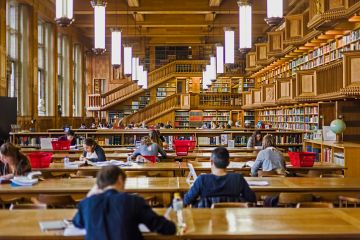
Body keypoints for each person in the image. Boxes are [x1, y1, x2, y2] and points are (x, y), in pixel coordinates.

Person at [73, 166, 176, 240]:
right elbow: (166, 228)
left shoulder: (87, 204)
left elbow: (77, 223)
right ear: (120, 179)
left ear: (98, 184)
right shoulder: (134, 201)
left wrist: (89, 197)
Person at [184, 147, 256, 208]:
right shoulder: (238, 178)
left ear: (211, 162)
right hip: (231, 222)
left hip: (207, 221)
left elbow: (187, 200)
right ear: (228, 163)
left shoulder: (202, 179)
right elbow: (252, 199)